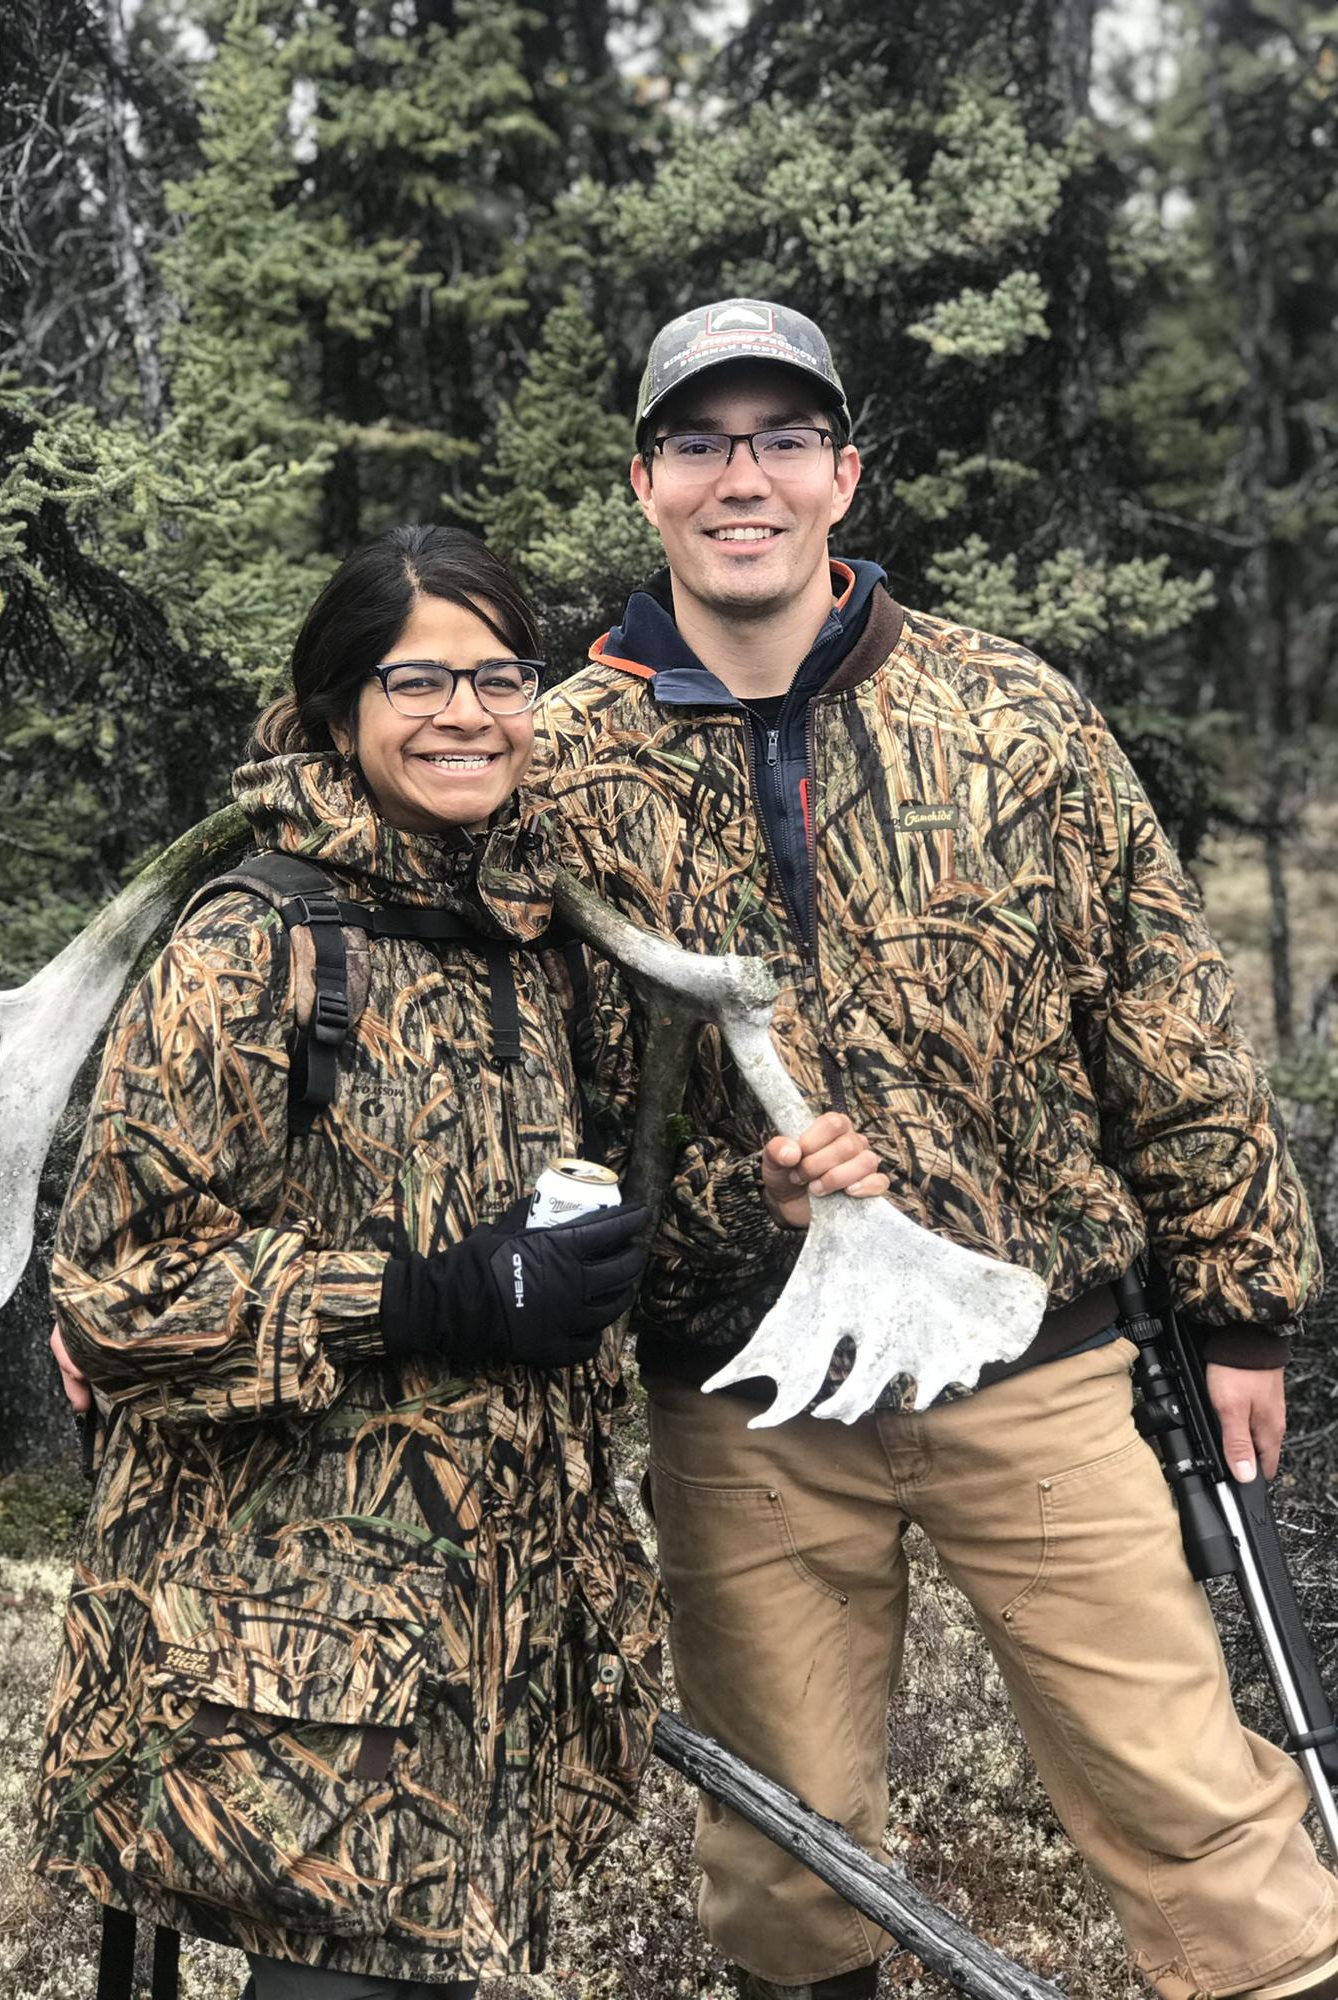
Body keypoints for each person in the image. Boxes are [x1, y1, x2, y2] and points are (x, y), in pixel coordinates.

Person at [537, 299, 1338, 2000]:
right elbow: (495, 1080)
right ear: (644, 482)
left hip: (1032, 1365)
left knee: (1199, 1812)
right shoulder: (548, 765)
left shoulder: (1011, 713)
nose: (738, 477)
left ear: (841, 474)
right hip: (743, 1394)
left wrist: (1242, 1300)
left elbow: (1161, 1007)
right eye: (699, 442)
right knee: (784, 1859)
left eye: (778, 441)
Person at [32, 524, 675, 2000]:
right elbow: (121, 1286)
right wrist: (428, 1296)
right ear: (338, 710)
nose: (467, 713)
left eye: (501, 676)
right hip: (302, 1642)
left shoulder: (522, 932)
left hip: (490, 1608)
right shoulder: (255, 940)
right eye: (418, 680)